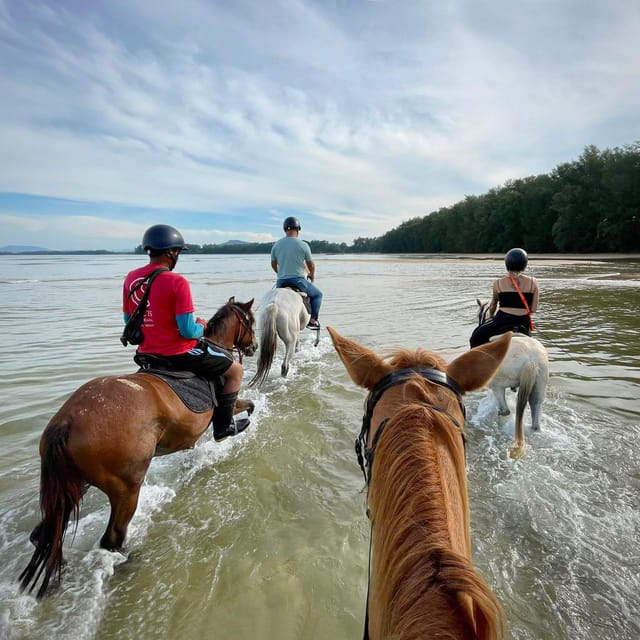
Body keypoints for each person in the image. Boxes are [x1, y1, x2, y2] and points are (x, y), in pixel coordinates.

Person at [123, 224, 249, 441]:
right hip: (178, 352)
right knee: (236, 371)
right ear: (171, 252)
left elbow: (129, 321)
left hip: (147, 353)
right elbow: (188, 330)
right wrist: (202, 324)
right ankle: (223, 426)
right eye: (178, 252)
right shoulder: (177, 281)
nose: (178, 256)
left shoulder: (131, 279)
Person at [469, 247, 539, 348]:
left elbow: (493, 304)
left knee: (475, 337)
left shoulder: (498, 283)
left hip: (502, 321)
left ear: (507, 263)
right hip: (523, 324)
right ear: (524, 264)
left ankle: (474, 361)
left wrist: (491, 316)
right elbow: (533, 309)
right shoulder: (533, 282)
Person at [270, 216, 323, 329]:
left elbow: (273, 264)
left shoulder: (276, 245)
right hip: (298, 280)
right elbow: (311, 265)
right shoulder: (303, 245)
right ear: (298, 229)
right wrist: (311, 274)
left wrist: (280, 273)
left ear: (285, 229)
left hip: (281, 282)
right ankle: (312, 321)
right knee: (318, 295)